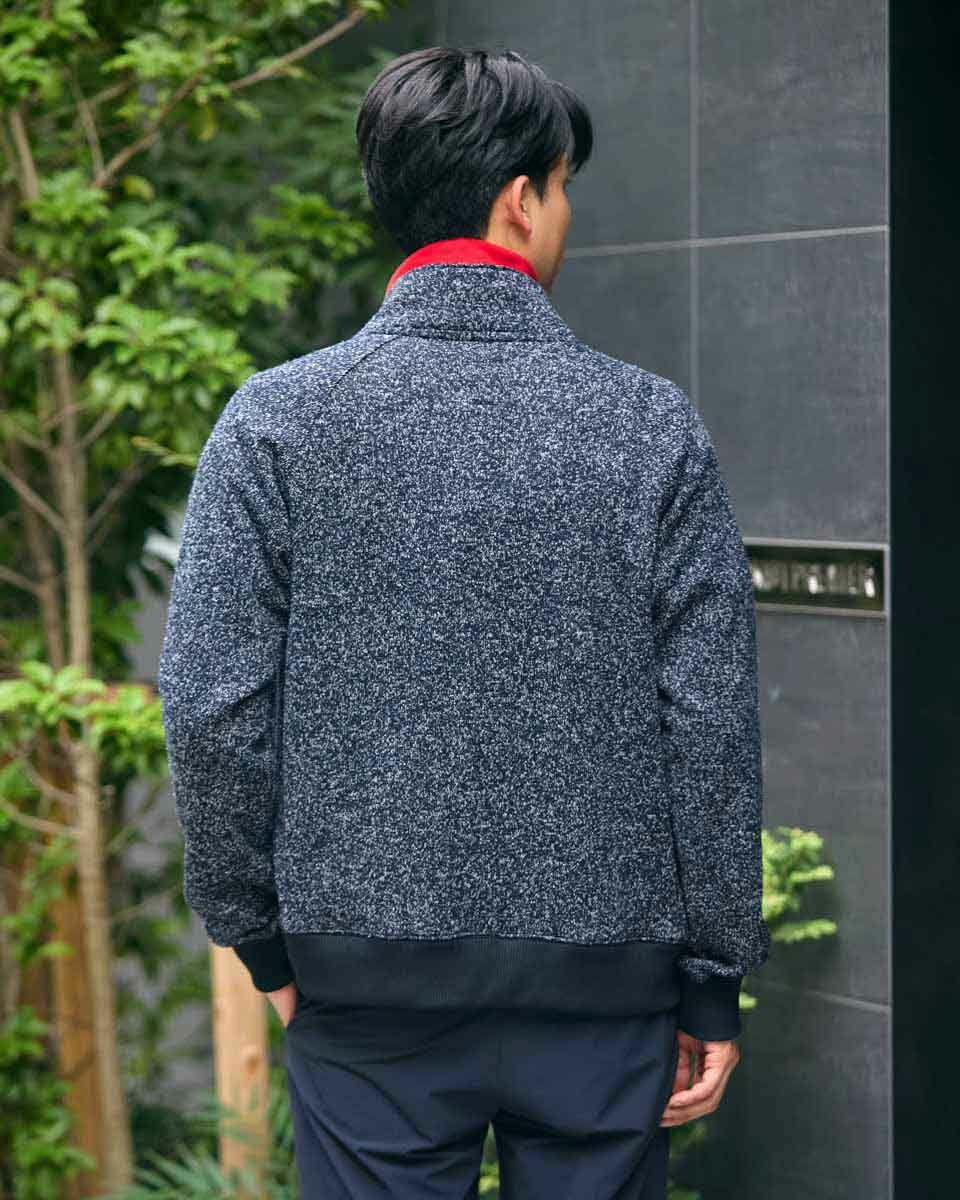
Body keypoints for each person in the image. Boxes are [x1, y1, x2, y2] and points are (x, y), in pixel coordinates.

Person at [157, 45, 770, 1200]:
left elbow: (210, 706)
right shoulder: (649, 426)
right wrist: (711, 979)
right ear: (519, 199)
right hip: (605, 994)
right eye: (564, 186)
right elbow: (711, 724)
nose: (565, 213)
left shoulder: (276, 421)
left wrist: (260, 938)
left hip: (362, 990)